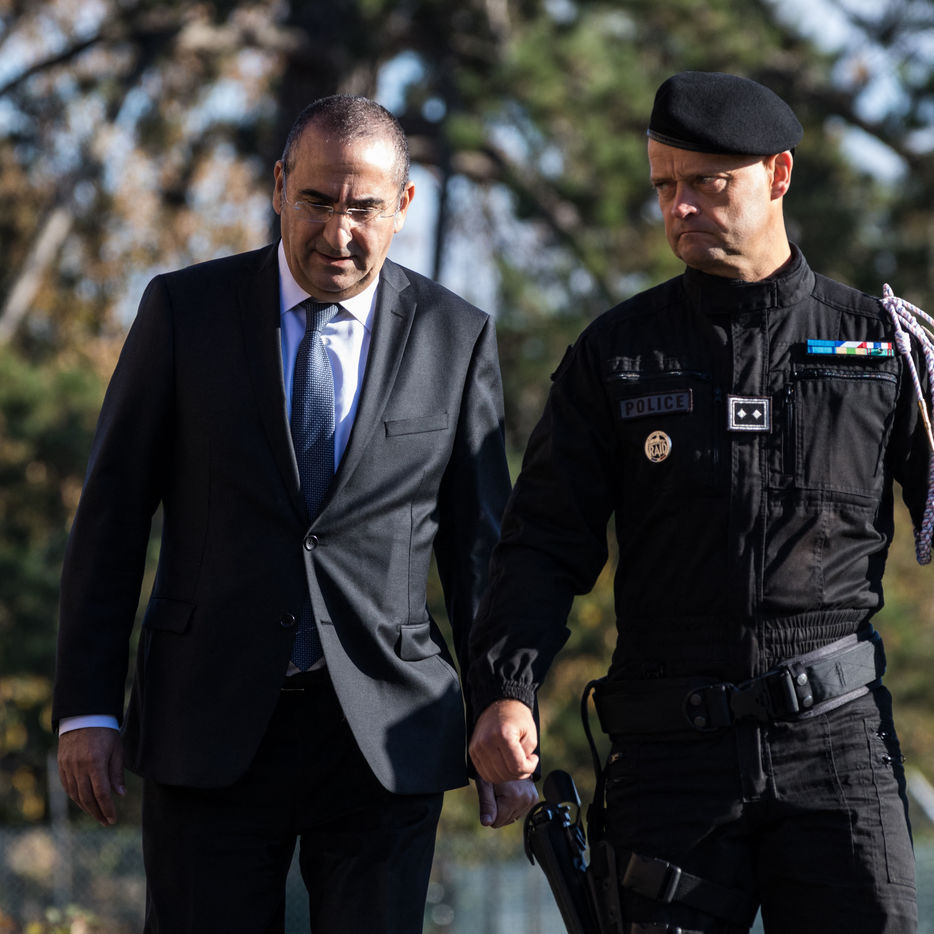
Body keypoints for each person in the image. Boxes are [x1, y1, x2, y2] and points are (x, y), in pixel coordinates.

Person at [54, 94, 536, 934]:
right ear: (279, 186)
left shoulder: (455, 337)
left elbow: (479, 551)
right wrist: (88, 707)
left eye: (364, 208)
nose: (337, 233)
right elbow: (112, 519)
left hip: (387, 735)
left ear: (404, 206)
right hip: (207, 721)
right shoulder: (183, 313)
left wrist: (501, 700)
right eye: (316, 200)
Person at [467, 71, 932, 933]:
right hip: (669, 759)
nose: (679, 206)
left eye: (707, 183)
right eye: (664, 186)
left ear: (778, 174)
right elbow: (541, 544)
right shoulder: (615, 355)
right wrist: (505, 688)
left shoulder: (878, 349)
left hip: (837, 750)